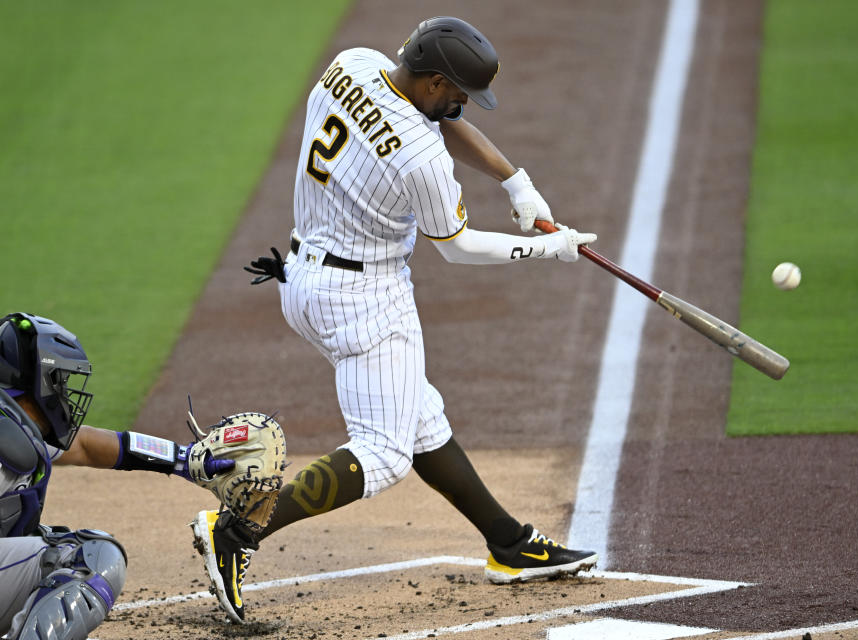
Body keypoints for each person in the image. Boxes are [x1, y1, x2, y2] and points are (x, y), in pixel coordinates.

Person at [191, 16, 599, 624]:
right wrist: (551, 247)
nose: (464, 105)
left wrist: (516, 182)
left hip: (303, 278)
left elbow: (438, 121)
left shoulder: (352, 64)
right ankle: (241, 524)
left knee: (419, 417)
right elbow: (456, 247)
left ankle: (508, 543)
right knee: (384, 452)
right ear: (434, 79)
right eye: (459, 93)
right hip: (367, 300)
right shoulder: (420, 159)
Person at [0, 312, 234, 640]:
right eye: (60, 380)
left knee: (44, 537)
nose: (65, 393)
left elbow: (86, 446)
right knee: (92, 559)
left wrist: (186, 460)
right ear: (39, 381)